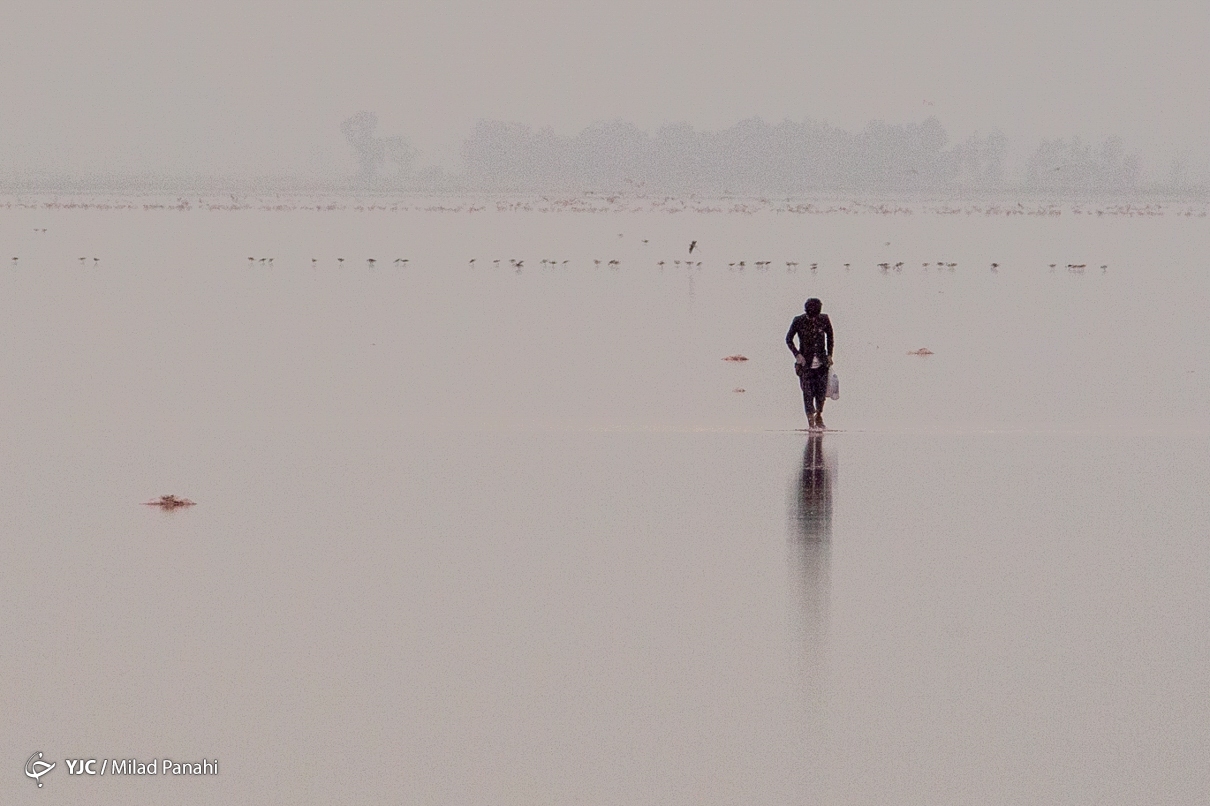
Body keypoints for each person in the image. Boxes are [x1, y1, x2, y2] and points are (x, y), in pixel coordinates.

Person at [785, 297, 834, 429]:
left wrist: (829, 355)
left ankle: (819, 415)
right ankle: (810, 421)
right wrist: (797, 355)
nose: (813, 319)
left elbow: (830, 337)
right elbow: (788, 339)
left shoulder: (824, 319)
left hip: (822, 363)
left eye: (815, 317)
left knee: (821, 393)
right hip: (805, 364)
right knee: (807, 393)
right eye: (810, 317)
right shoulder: (798, 321)